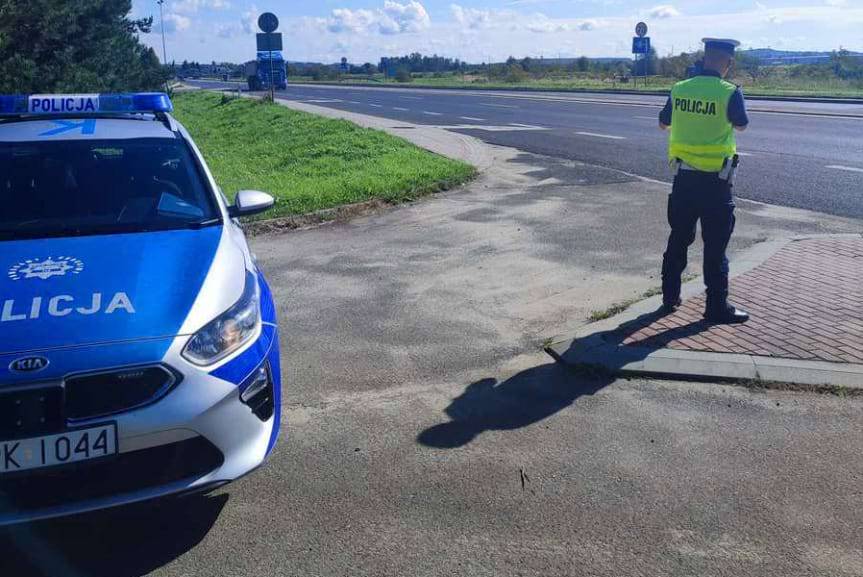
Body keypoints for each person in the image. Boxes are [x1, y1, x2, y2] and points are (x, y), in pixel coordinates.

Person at [658, 38, 750, 324]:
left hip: (683, 180)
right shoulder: (730, 92)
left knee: (678, 239)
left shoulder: (680, 88)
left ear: (704, 58)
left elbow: (663, 123)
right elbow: (742, 125)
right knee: (715, 247)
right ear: (728, 62)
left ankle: (669, 297)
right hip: (716, 184)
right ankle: (715, 307)